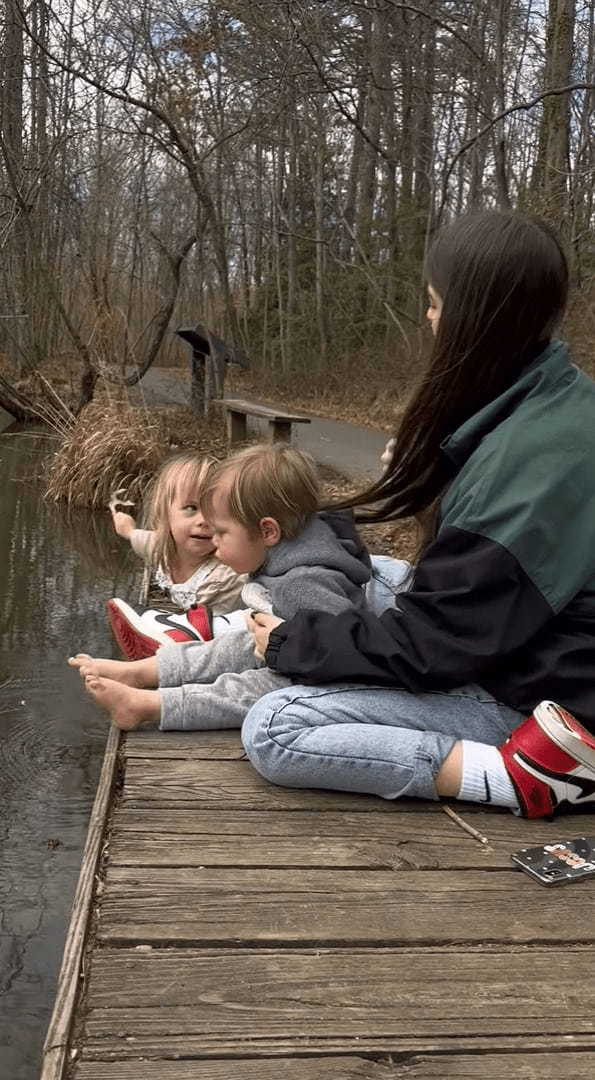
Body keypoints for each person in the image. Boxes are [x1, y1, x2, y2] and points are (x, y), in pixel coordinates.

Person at [242, 209, 595, 821]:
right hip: (533, 644)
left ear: (472, 317)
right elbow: (477, 589)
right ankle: (223, 643)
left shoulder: (530, 463)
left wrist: (293, 645)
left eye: (435, 304)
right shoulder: (557, 399)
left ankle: (521, 775)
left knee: (275, 727)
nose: (428, 319)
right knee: (375, 571)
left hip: (555, 701)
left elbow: (437, 647)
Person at [69, 443, 371, 730]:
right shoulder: (286, 560)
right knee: (236, 645)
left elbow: (345, 651)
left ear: (267, 531)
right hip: (300, 653)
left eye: (223, 533)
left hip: (327, 686)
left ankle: (150, 705)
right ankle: (143, 672)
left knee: (259, 687)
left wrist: (287, 648)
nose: (214, 541)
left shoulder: (302, 583)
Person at [106, 451, 246, 655]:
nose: (203, 520)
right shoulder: (164, 549)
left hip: (215, 641)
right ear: (165, 515)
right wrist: (128, 530)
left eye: (214, 510)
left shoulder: (226, 576)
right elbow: (147, 541)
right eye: (191, 508)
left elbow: (209, 641)